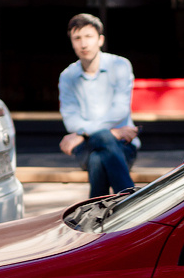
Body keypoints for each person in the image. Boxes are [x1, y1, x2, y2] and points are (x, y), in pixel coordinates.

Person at [58, 13, 141, 198]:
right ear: (71, 42)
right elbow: (71, 120)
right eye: (77, 38)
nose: (83, 44)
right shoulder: (67, 76)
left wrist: (86, 133)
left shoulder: (120, 65)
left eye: (89, 37)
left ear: (100, 40)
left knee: (98, 159)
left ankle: (95, 219)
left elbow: (119, 111)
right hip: (88, 147)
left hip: (122, 146)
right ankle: (131, 201)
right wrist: (112, 131)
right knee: (99, 149)